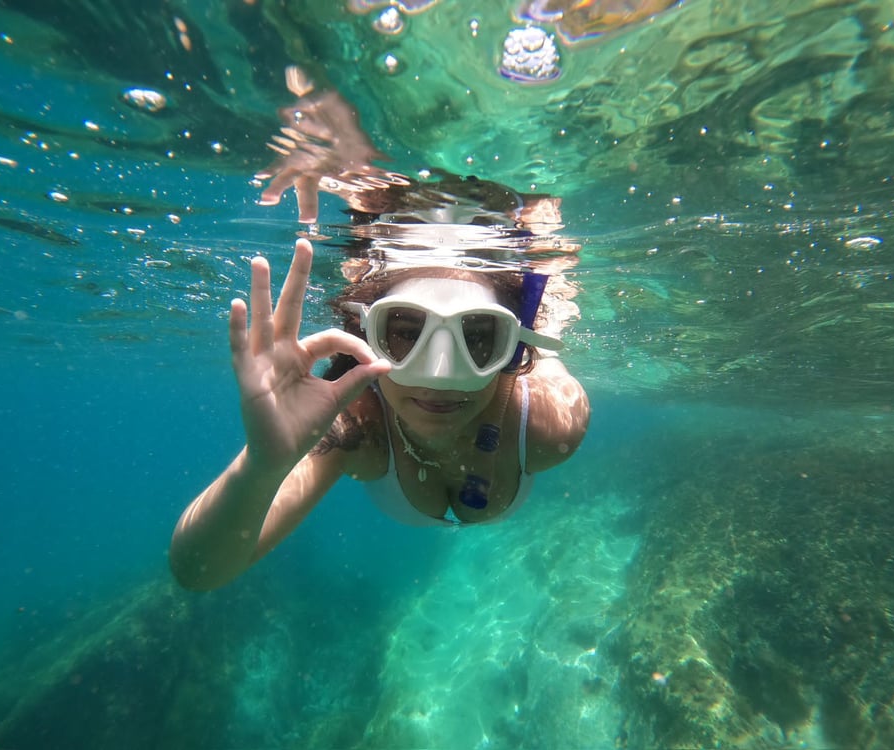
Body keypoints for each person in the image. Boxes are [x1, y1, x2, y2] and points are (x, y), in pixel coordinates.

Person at [168, 68, 590, 591]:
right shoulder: (356, 429)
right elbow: (196, 571)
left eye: (480, 336)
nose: (439, 376)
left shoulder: (550, 425)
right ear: (365, 333)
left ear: (514, 343)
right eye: (405, 331)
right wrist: (262, 465)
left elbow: (195, 577)